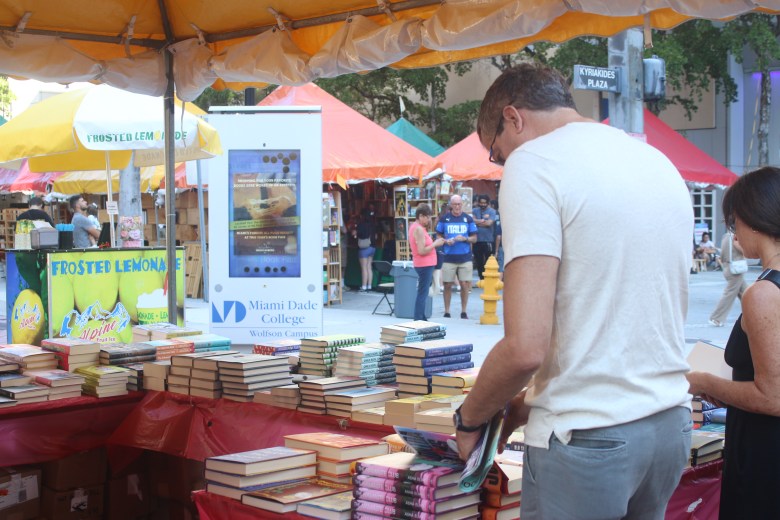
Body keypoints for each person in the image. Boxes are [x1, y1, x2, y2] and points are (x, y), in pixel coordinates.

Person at [455, 63, 693, 519]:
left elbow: (525, 346)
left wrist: (471, 418)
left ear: (513, 118)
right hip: (667, 423)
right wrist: (526, 402)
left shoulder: (534, 162)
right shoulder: (651, 157)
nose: (503, 163)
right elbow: (618, 309)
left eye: (497, 153)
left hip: (589, 436)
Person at [687, 167, 780, 519]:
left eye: (735, 222)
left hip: (764, 450)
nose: (735, 233)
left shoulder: (764, 293)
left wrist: (704, 383)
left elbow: (772, 397)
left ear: (755, 220)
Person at [435, 194, 477, 319]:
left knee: (464, 284)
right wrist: (445, 241)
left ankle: (464, 311)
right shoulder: (445, 219)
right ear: (451, 205)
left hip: (465, 257)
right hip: (449, 257)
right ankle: (447, 311)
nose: (457, 206)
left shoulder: (468, 219)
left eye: (459, 204)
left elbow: (474, 238)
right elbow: (438, 235)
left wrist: (465, 238)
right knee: (447, 284)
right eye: (455, 204)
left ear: (462, 205)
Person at [409, 204, 445, 321]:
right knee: (423, 292)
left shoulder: (416, 227)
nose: (429, 220)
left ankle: (421, 316)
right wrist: (435, 244)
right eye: (428, 217)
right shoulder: (418, 229)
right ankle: (419, 318)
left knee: (423, 291)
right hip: (424, 264)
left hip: (424, 263)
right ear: (421, 216)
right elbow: (421, 250)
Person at [709, 232, 749, 327]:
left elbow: (722, 254)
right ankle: (716, 318)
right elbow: (745, 252)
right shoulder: (737, 237)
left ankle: (754, 313)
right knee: (729, 294)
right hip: (736, 269)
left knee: (746, 293)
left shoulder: (726, 236)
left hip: (727, 267)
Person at [471, 194, 497, 280]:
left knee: (488, 260)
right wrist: (482, 221)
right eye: (481, 203)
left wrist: (477, 222)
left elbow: (489, 223)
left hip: (488, 240)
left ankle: (488, 278)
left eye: (484, 203)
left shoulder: (492, 211)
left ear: (488, 203)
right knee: (478, 260)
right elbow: (472, 221)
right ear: (478, 203)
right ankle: (481, 278)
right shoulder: (474, 210)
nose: (482, 204)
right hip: (477, 240)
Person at [354, 208, 376, 293]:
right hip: (372, 247)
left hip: (364, 248)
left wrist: (355, 233)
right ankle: (369, 286)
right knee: (369, 267)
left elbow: (361, 234)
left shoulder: (361, 224)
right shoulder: (373, 224)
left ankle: (363, 286)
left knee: (364, 268)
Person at [490, 199, 504, 280]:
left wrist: (496, 250)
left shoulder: (501, 224)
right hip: (511, 246)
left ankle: (498, 282)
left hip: (502, 246)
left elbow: (498, 236)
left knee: (501, 266)